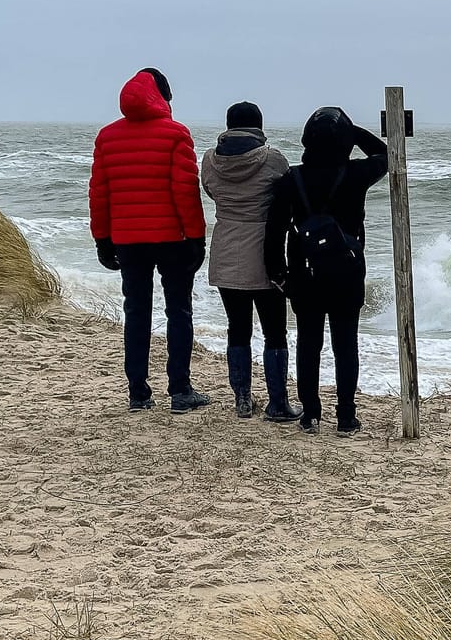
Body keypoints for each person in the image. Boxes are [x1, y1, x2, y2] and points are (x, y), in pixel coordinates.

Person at [89, 68, 212, 414]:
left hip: (128, 241)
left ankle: (138, 393)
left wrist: (102, 238)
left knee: (137, 313)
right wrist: (197, 237)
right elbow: (185, 192)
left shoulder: (107, 137)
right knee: (179, 311)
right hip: (172, 238)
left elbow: (100, 193)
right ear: (163, 97)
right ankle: (180, 390)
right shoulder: (175, 134)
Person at [264, 106, 388, 435]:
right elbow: (385, 154)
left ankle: (310, 415)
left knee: (309, 343)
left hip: (304, 275)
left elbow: (274, 231)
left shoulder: (291, 179)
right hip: (347, 272)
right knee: (345, 344)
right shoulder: (356, 174)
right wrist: (355, 132)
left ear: (306, 140)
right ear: (345, 142)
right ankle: (346, 415)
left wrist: (279, 274)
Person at [200, 101, 302, 422]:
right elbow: (287, 194)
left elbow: (211, 191)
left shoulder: (209, 160)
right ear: (259, 125)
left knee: (237, 328)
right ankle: (278, 403)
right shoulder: (273, 159)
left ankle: (242, 399)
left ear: (228, 125)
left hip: (226, 246)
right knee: (274, 331)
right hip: (264, 251)